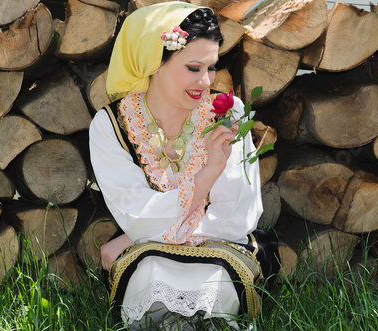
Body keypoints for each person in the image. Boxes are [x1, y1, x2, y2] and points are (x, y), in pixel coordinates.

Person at [89, 2, 279, 329]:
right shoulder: (112, 126)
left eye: (211, 67)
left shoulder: (227, 113)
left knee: (212, 277)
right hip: (150, 254)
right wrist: (203, 181)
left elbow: (237, 216)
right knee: (152, 273)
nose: (206, 81)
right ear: (153, 63)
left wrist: (136, 236)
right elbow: (135, 211)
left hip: (221, 246)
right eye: (193, 68)